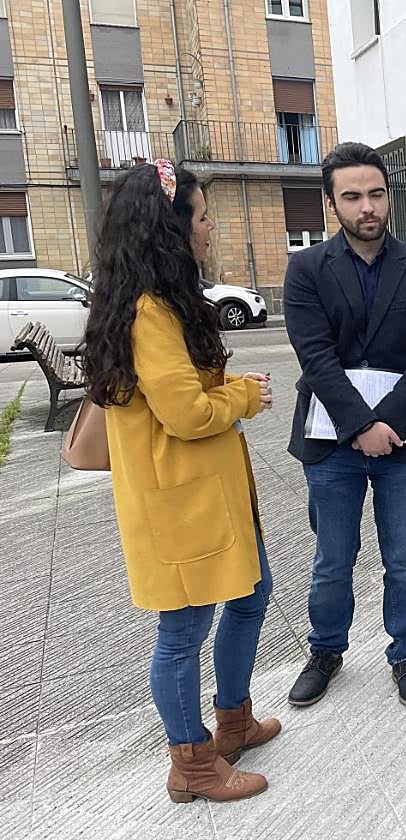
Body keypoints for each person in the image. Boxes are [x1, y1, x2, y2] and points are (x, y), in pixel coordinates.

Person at [82, 160, 280, 803]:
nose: (209, 225)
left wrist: (226, 392)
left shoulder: (164, 304)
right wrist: (245, 397)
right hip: (183, 506)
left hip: (214, 494)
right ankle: (192, 764)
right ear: (168, 230)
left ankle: (233, 722)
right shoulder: (148, 314)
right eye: (200, 215)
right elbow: (188, 413)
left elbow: (187, 392)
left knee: (253, 594)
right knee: (181, 635)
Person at [284, 142, 406, 709]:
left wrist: (390, 424)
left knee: (403, 559)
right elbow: (316, 358)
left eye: (376, 193)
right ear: (332, 204)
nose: (367, 207)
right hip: (331, 443)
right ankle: (326, 649)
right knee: (333, 557)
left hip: (403, 440)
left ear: (389, 196)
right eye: (352, 196)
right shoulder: (306, 269)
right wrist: (360, 427)